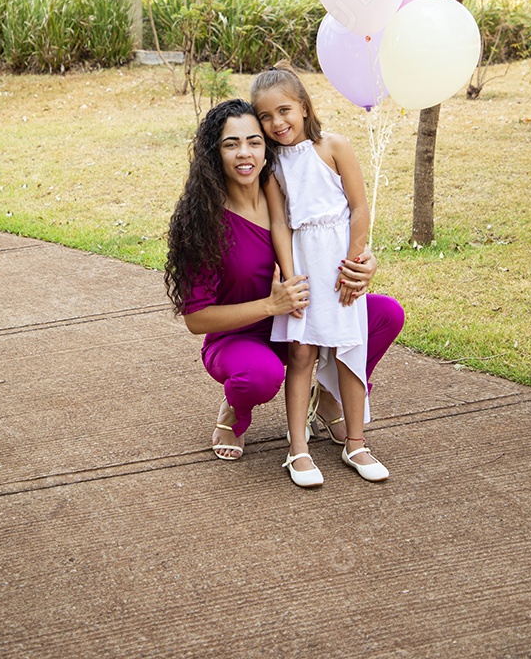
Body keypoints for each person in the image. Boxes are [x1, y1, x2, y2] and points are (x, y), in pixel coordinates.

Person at [251, 64, 405, 488]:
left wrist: (356, 261)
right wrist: (290, 274)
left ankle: (356, 442)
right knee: (300, 355)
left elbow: (359, 207)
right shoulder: (273, 166)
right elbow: (281, 222)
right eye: (266, 117)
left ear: (303, 106)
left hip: (339, 263)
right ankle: (297, 448)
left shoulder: (334, 146)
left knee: (348, 351)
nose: (277, 123)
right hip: (303, 263)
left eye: (284, 111)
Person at [165, 98, 312, 460]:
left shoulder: (288, 194)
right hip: (236, 340)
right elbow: (196, 319)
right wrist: (270, 304)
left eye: (254, 142)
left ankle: (328, 395)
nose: (244, 153)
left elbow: (334, 230)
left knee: (384, 315)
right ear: (215, 154)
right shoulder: (202, 221)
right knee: (259, 376)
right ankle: (235, 411)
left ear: (267, 148)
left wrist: (362, 259)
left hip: (296, 324)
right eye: (231, 144)